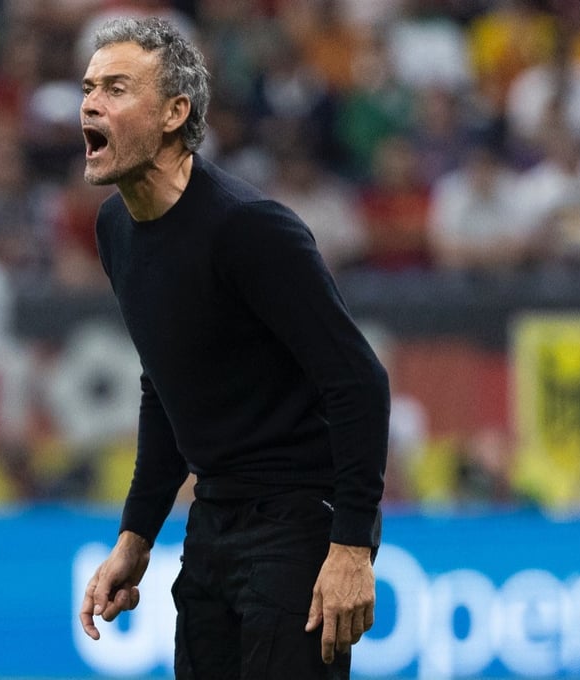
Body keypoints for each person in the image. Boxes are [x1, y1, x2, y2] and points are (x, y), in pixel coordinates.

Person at [75, 17, 390, 679]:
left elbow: (359, 382)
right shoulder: (115, 229)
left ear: (174, 113)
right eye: (89, 88)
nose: (91, 104)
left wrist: (352, 546)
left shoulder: (250, 230)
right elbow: (165, 384)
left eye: (116, 88)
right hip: (213, 521)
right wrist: (136, 536)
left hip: (300, 523)